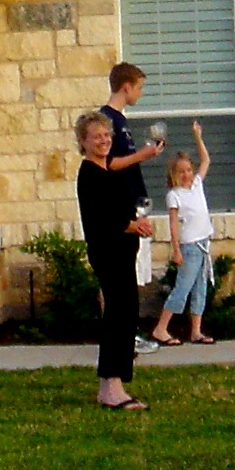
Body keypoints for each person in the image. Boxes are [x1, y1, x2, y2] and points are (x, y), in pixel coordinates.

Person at [74, 110, 154, 408]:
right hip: (108, 252)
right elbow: (102, 219)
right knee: (118, 316)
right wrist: (133, 226)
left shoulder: (108, 170)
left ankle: (113, 384)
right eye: (96, 136)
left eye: (107, 135)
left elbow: (121, 209)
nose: (104, 140)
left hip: (123, 252)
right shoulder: (89, 175)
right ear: (83, 142)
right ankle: (111, 387)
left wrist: (137, 223)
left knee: (126, 314)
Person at [100, 61, 165, 355]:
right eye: (139, 87)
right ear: (126, 87)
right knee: (118, 281)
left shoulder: (121, 121)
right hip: (120, 211)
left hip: (133, 206)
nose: (140, 93)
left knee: (130, 276)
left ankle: (126, 336)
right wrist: (144, 154)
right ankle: (121, 339)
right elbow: (110, 164)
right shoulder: (107, 120)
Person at [149, 121, 217, 346]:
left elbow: (206, 161)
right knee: (183, 288)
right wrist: (176, 250)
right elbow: (173, 225)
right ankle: (161, 329)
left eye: (189, 170)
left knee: (200, 289)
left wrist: (198, 136)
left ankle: (196, 331)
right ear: (174, 174)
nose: (187, 174)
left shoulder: (197, 184)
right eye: (181, 171)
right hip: (189, 247)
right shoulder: (174, 195)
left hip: (203, 244)